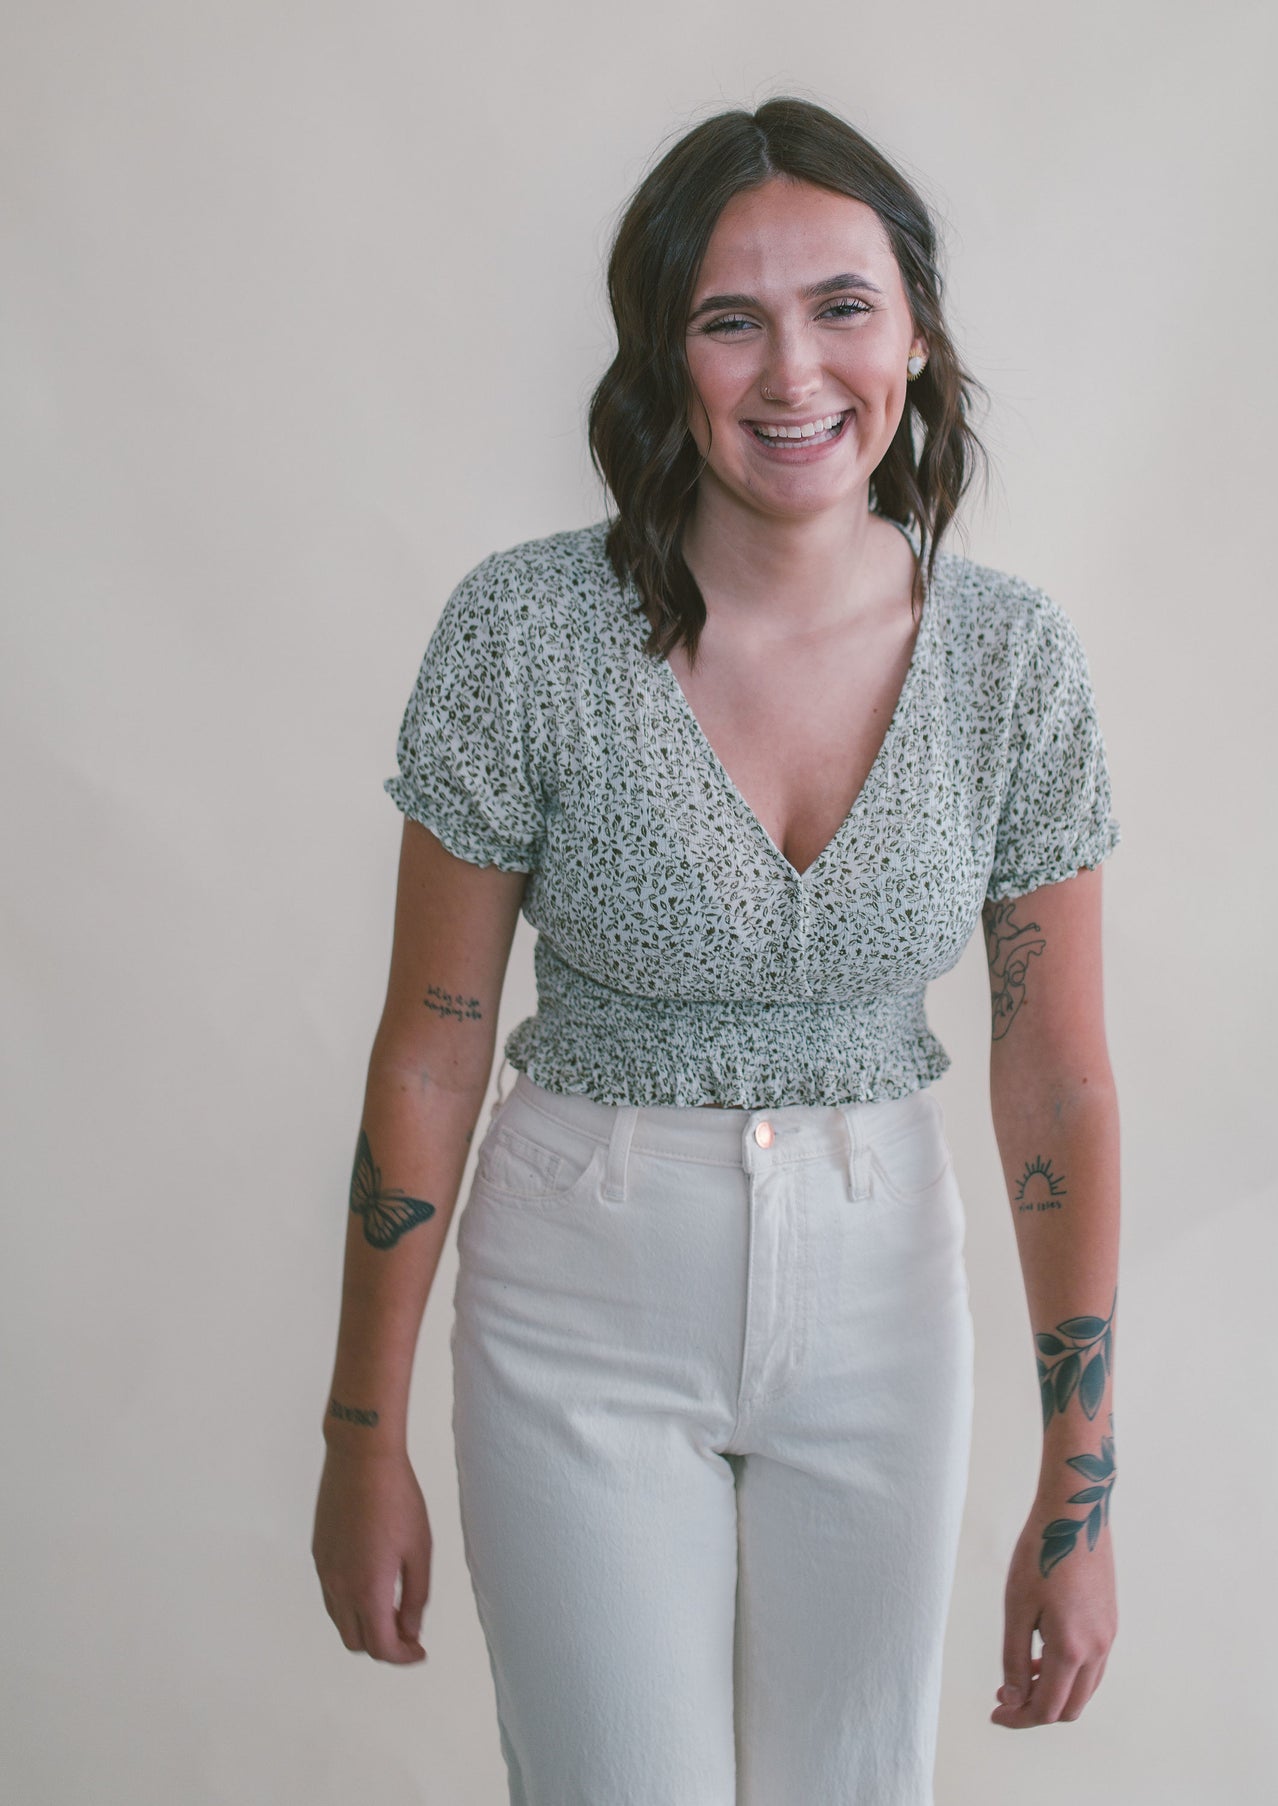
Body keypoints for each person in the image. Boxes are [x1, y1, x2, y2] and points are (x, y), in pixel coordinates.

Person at [312, 94, 1123, 1804]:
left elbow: (1053, 1077)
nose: (790, 373)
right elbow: (434, 1041)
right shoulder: (524, 634)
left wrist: (1080, 1484)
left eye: (840, 306)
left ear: (914, 332)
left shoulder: (1009, 664)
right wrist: (361, 1435)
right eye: (727, 318)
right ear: (659, 354)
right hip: (576, 1291)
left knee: (856, 1783)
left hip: (881, 1286)